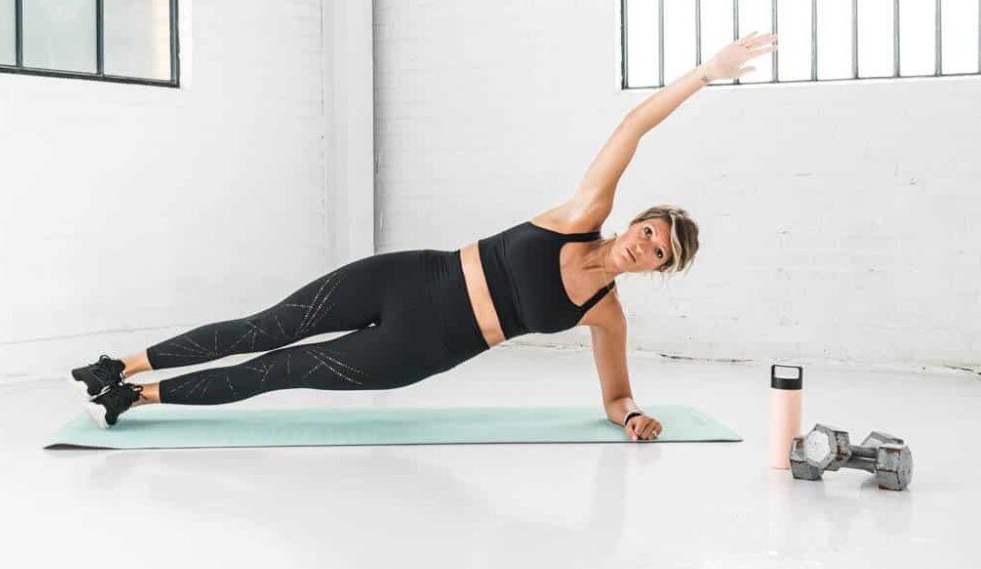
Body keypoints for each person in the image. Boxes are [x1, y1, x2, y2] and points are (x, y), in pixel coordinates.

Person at [71, 33, 776, 434]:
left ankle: (138, 399)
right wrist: (705, 75)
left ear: (655, 269)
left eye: (658, 253)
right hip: (408, 277)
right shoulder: (578, 216)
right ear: (636, 219)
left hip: (419, 346)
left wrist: (633, 419)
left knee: (281, 370)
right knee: (270, 325)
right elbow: (632, 127)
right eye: (650, 230)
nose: (645, 245)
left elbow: (616, 396)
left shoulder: (606, 315)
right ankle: (121, 364)